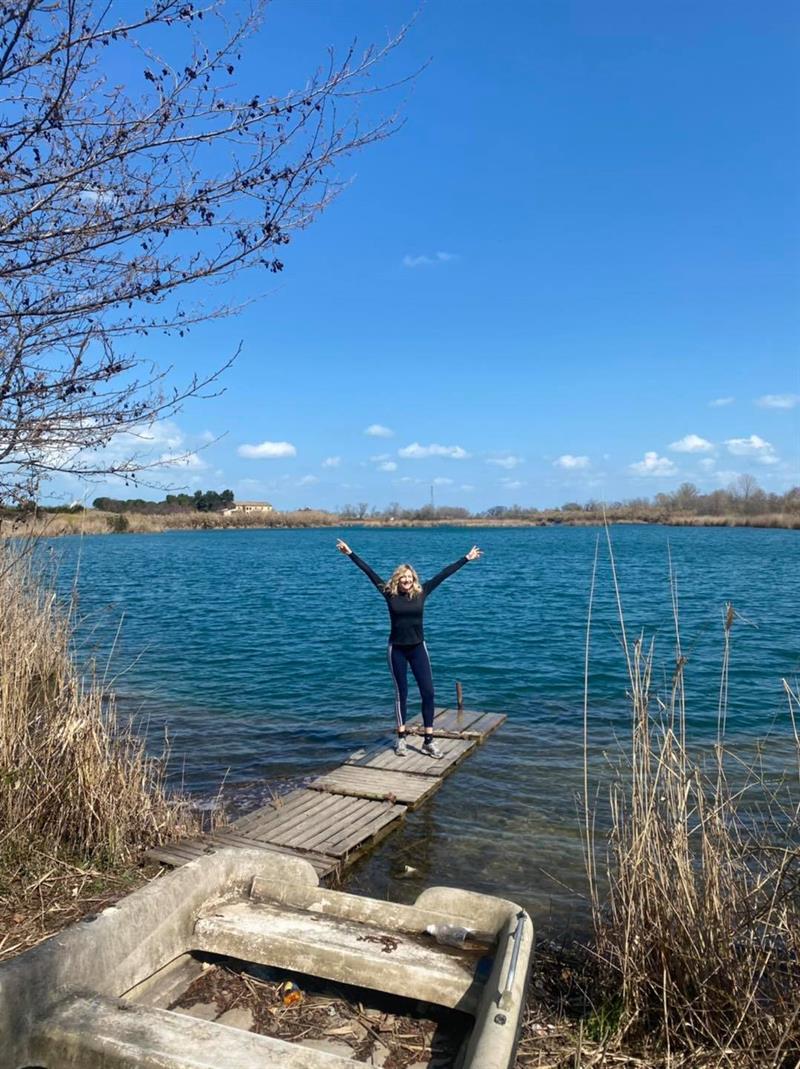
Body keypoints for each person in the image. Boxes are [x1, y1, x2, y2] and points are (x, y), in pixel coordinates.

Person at [336, 539, 483, 758]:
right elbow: (369, 572)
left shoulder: (422, 592)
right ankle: (401, 738)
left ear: (413, 579)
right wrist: (350, 553)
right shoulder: (389, 593)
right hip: (396, 649)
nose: (406, 580)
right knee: (401, 694)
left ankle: (428, 741)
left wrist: (466, 559)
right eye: (402, 577)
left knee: (429, 693)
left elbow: (444, 574)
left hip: (417, 648)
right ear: (398, 580)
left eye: (409, 577)